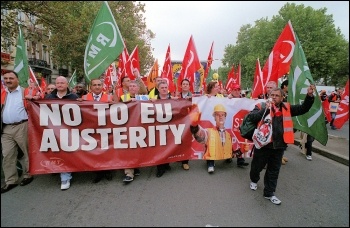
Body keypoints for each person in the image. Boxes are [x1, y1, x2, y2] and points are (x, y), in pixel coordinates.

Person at [249, 85, 315, 205]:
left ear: (282, 97)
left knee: (273, 170)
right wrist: (266, 110)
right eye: (272, 95)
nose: (273, 97)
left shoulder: (287, 108)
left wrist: (309, 96)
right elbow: (252, 117)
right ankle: (254, 180)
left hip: (279, 146)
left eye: (276, 96)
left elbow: (303, 108)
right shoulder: (261, 105)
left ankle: (269, 193)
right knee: (256, 167)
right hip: (262, 145)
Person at [1, 70, 36, 193]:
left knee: (27, 151)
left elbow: (37, 99)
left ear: (17, 80)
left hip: (22, 126)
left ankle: (28, 175)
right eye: (6, 78)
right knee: (7, 155)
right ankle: (10, 181)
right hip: (5, 128)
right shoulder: (3, 93)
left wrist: (35, 97)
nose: (8, 81)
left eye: (11, 78)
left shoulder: (25, 91)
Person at [45, 76, 79, 190]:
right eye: (58, 83)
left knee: (68, 151)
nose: (60, 85)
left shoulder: (74, 97)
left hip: (70, 129)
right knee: (58, 152)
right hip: (53, 130)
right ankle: (64, 174)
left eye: (62, 83)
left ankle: (66, 176)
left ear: (67, 85)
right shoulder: (49, 97)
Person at [80, 78, 114, 183]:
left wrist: (113, 103)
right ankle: (98, 172)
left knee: (106, 150)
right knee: (94, 150)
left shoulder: (109, 97)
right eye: (94, 85)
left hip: (105, 128)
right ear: (91, 87)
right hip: (91, 129)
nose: (97, 87)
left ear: (102, 86)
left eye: (99, 84)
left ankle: (107, 170)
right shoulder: (84, 98)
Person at [190, 103, 239, 174]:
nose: (220, 117)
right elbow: (200, 136)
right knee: (211, 149)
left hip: (226, 154)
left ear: (225, 117)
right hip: (211, 156)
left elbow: (232, 150)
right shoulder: (209, 132)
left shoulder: (228, 135)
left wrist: (242, 150)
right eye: (218, 115)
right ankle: (210, 163)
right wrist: (194, 126)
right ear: (214, 117)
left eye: (222, 115)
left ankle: (228, 158)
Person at [119, 80, 142, 183]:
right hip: (127, 127)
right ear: (128, 88)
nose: (132, 88)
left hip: (140, 127)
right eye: (131, 86)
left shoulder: (143, 98)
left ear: (138, 89)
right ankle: (129, 173)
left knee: (137, 148)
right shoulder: (123, 98)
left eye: (134, 86)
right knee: (128, 149)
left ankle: (135, 166)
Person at [151, 81, 175, 177]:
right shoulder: (153, 100)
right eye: (162, 88)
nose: (164, 89)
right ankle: (160, 168)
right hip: (158, 128)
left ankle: (167, 164)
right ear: (158, 89)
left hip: (170, 127)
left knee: (169, 146)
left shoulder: (173, 99)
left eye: (166, 87)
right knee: (159, 148)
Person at [227, 84, 249, 168]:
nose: (236, 91)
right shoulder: (227, 99)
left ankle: (240, 160)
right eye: (235, 89)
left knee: (240, 141)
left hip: (239, 123)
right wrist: (227, 99)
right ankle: (228, 156)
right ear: (231, 90)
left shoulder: (244, 100)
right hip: (229, 123)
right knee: (229, 141)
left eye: (238, 89)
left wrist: (255, 100)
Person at [177, 78, 192, 170]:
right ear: (181, 86)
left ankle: (185, 161)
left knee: (186, 141)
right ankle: (179, 156)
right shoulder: (176, 96)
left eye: (187, 84)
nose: (185, 85)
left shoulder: (193, 96)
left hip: (188, 120)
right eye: (184, 84)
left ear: (189, 86)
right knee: (178, 140)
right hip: (178, 121)